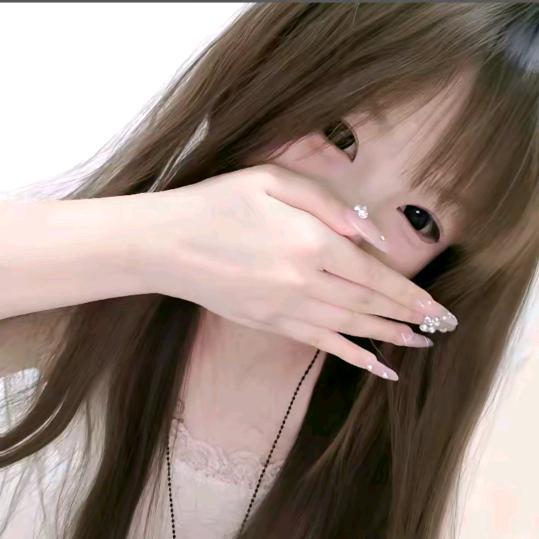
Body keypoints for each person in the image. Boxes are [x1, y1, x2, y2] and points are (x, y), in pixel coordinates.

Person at [0, 3, 538, 539]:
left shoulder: (402, 438)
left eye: (420, 218)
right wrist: (158, 241)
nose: (348, 221)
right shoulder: (77, 296)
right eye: (339, 135)